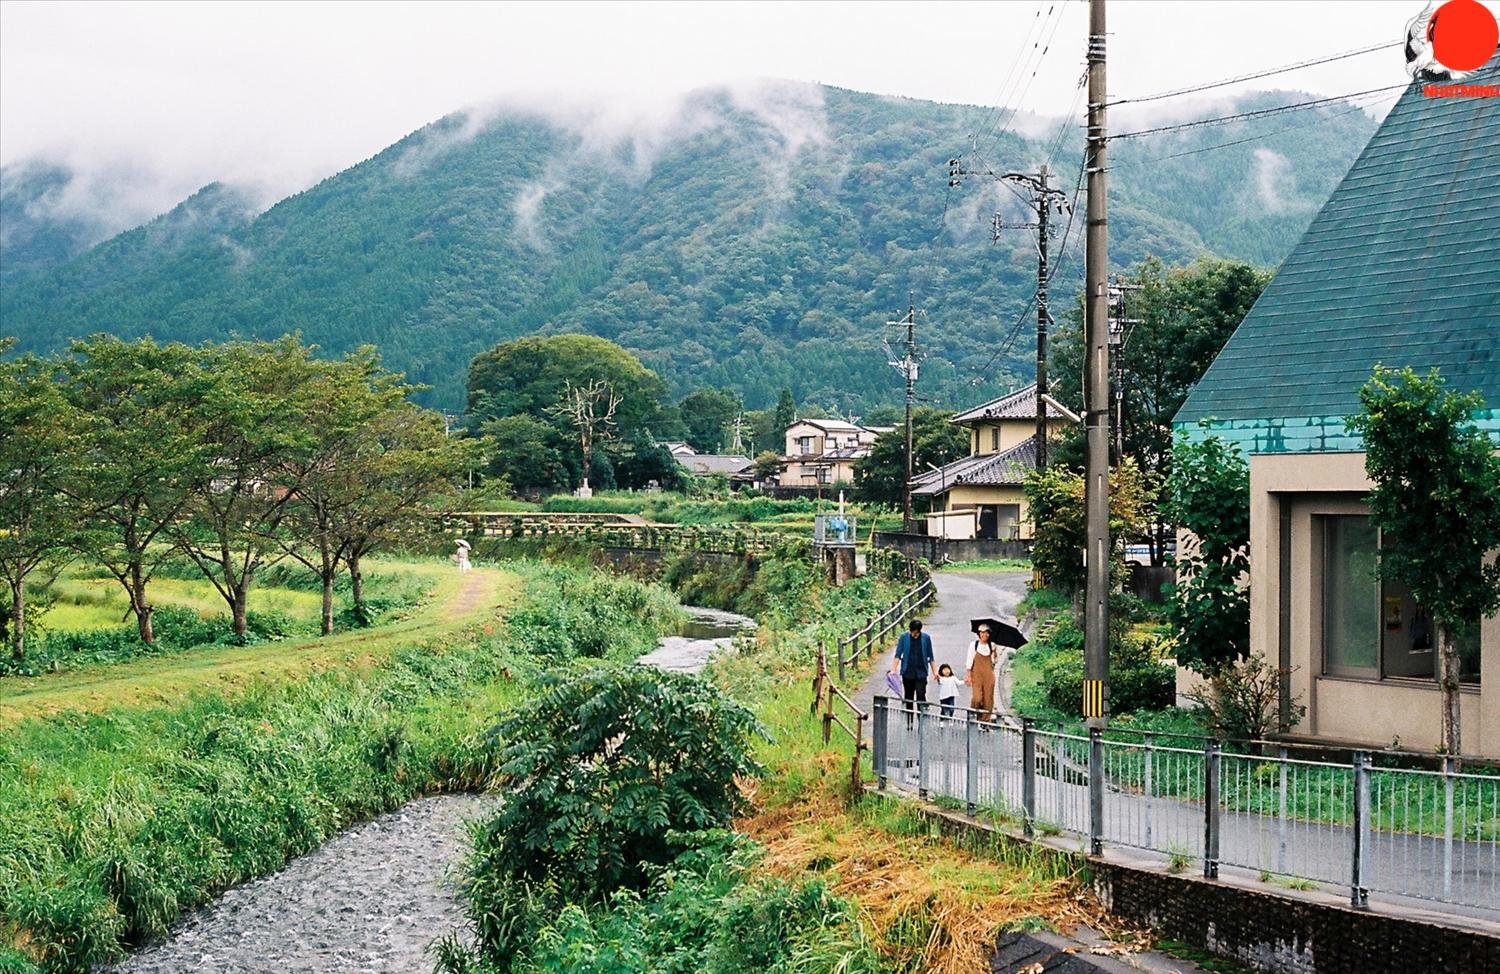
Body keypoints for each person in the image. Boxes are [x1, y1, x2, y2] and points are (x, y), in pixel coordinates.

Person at [890, 618, 936, 724]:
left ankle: (922, 720)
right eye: (913, 632)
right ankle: (909, 721)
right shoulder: (904, 638)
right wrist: (893, 670)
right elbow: (898, 655)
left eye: (916, 633)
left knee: (921, 695)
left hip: (921, 672)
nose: (915, 635)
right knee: (908, 697)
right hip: (908, 672)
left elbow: (930, 656)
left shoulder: (926, 638)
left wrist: (935, 672)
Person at [965, 623, 999, 722]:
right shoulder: (974, 645)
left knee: (988, 699)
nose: (984, 635)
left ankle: (985, 721)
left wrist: (994, 652)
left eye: (986, 633)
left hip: (988, 675)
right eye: (982, 632)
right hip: (976, 675)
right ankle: (974, 714)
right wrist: (968, 675)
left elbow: (994, 662)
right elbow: (969, 660)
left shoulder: (992, 645)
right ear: (979, 633)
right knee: (977, 698)